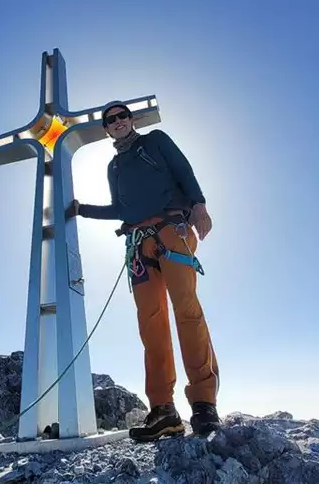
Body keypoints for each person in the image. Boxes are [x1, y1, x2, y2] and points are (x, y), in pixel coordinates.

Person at [68, 101, 221, 442]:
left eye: (122, 115)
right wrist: (82, 209)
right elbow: (121, 208)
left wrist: (198, 205)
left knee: (187, 311)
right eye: (111, 119)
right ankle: (163, 411)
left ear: (131, 119)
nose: (118, 121)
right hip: (138, 243)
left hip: (172, 229)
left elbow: (184, 170)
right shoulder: (114, 166)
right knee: (150, 322)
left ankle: (204, 404)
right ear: (106, 128)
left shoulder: (155, 141)